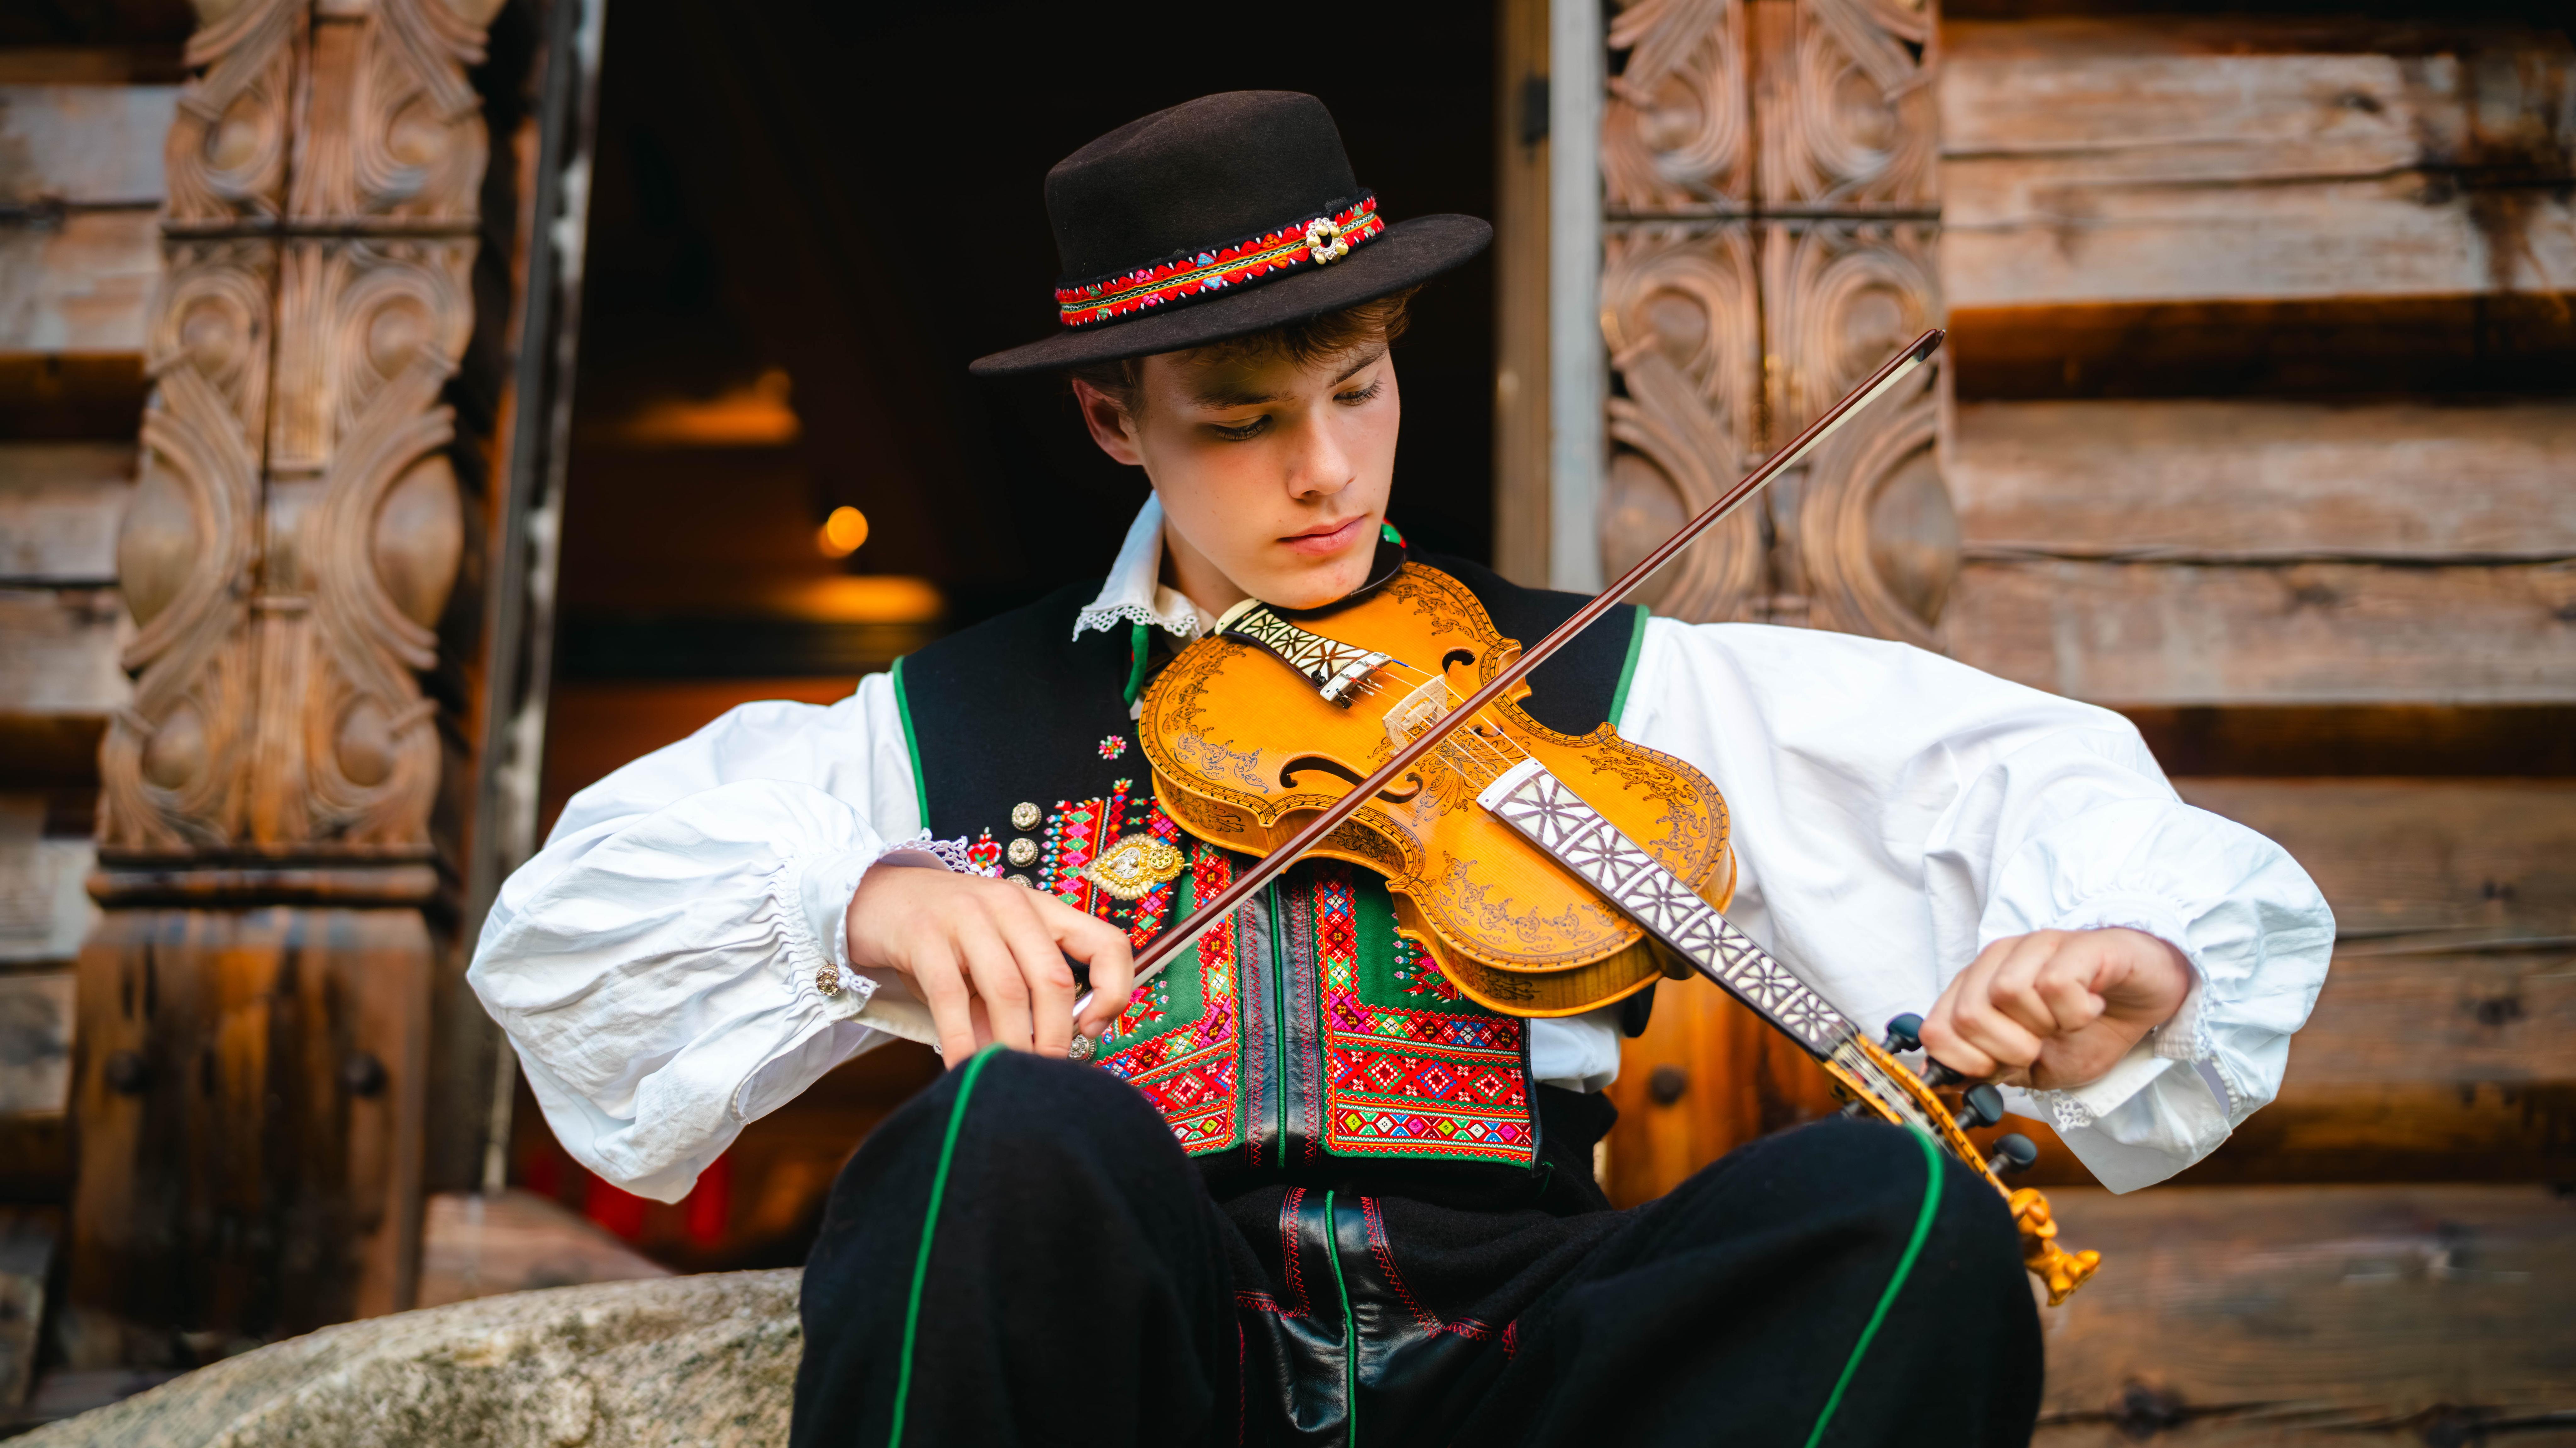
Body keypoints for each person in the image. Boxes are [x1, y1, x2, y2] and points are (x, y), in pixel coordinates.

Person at [469, 91, 2333, 1447]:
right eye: (1243, 422)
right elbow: (574, 938)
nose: (1326, 474)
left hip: (1528, 1347)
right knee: (993, 1137)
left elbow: (2003, 792)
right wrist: (863, 897)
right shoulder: (945, 723)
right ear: (1113, 418)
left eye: (1357, 387)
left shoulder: (1581, 679)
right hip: (1148, 1350)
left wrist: (2121, 954)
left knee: (1893, 1212)